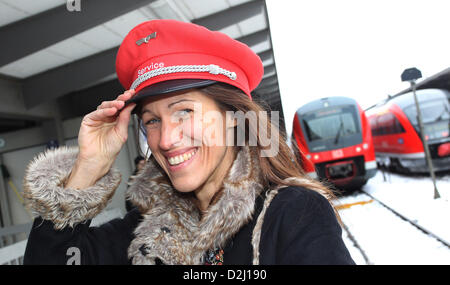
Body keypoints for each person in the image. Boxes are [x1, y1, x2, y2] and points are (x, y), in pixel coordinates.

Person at [22, 19, 354, 265]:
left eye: (183, 112)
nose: (165, 140)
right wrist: (88, 167)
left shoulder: (292, 214)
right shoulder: (146, 232)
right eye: (152, 120)